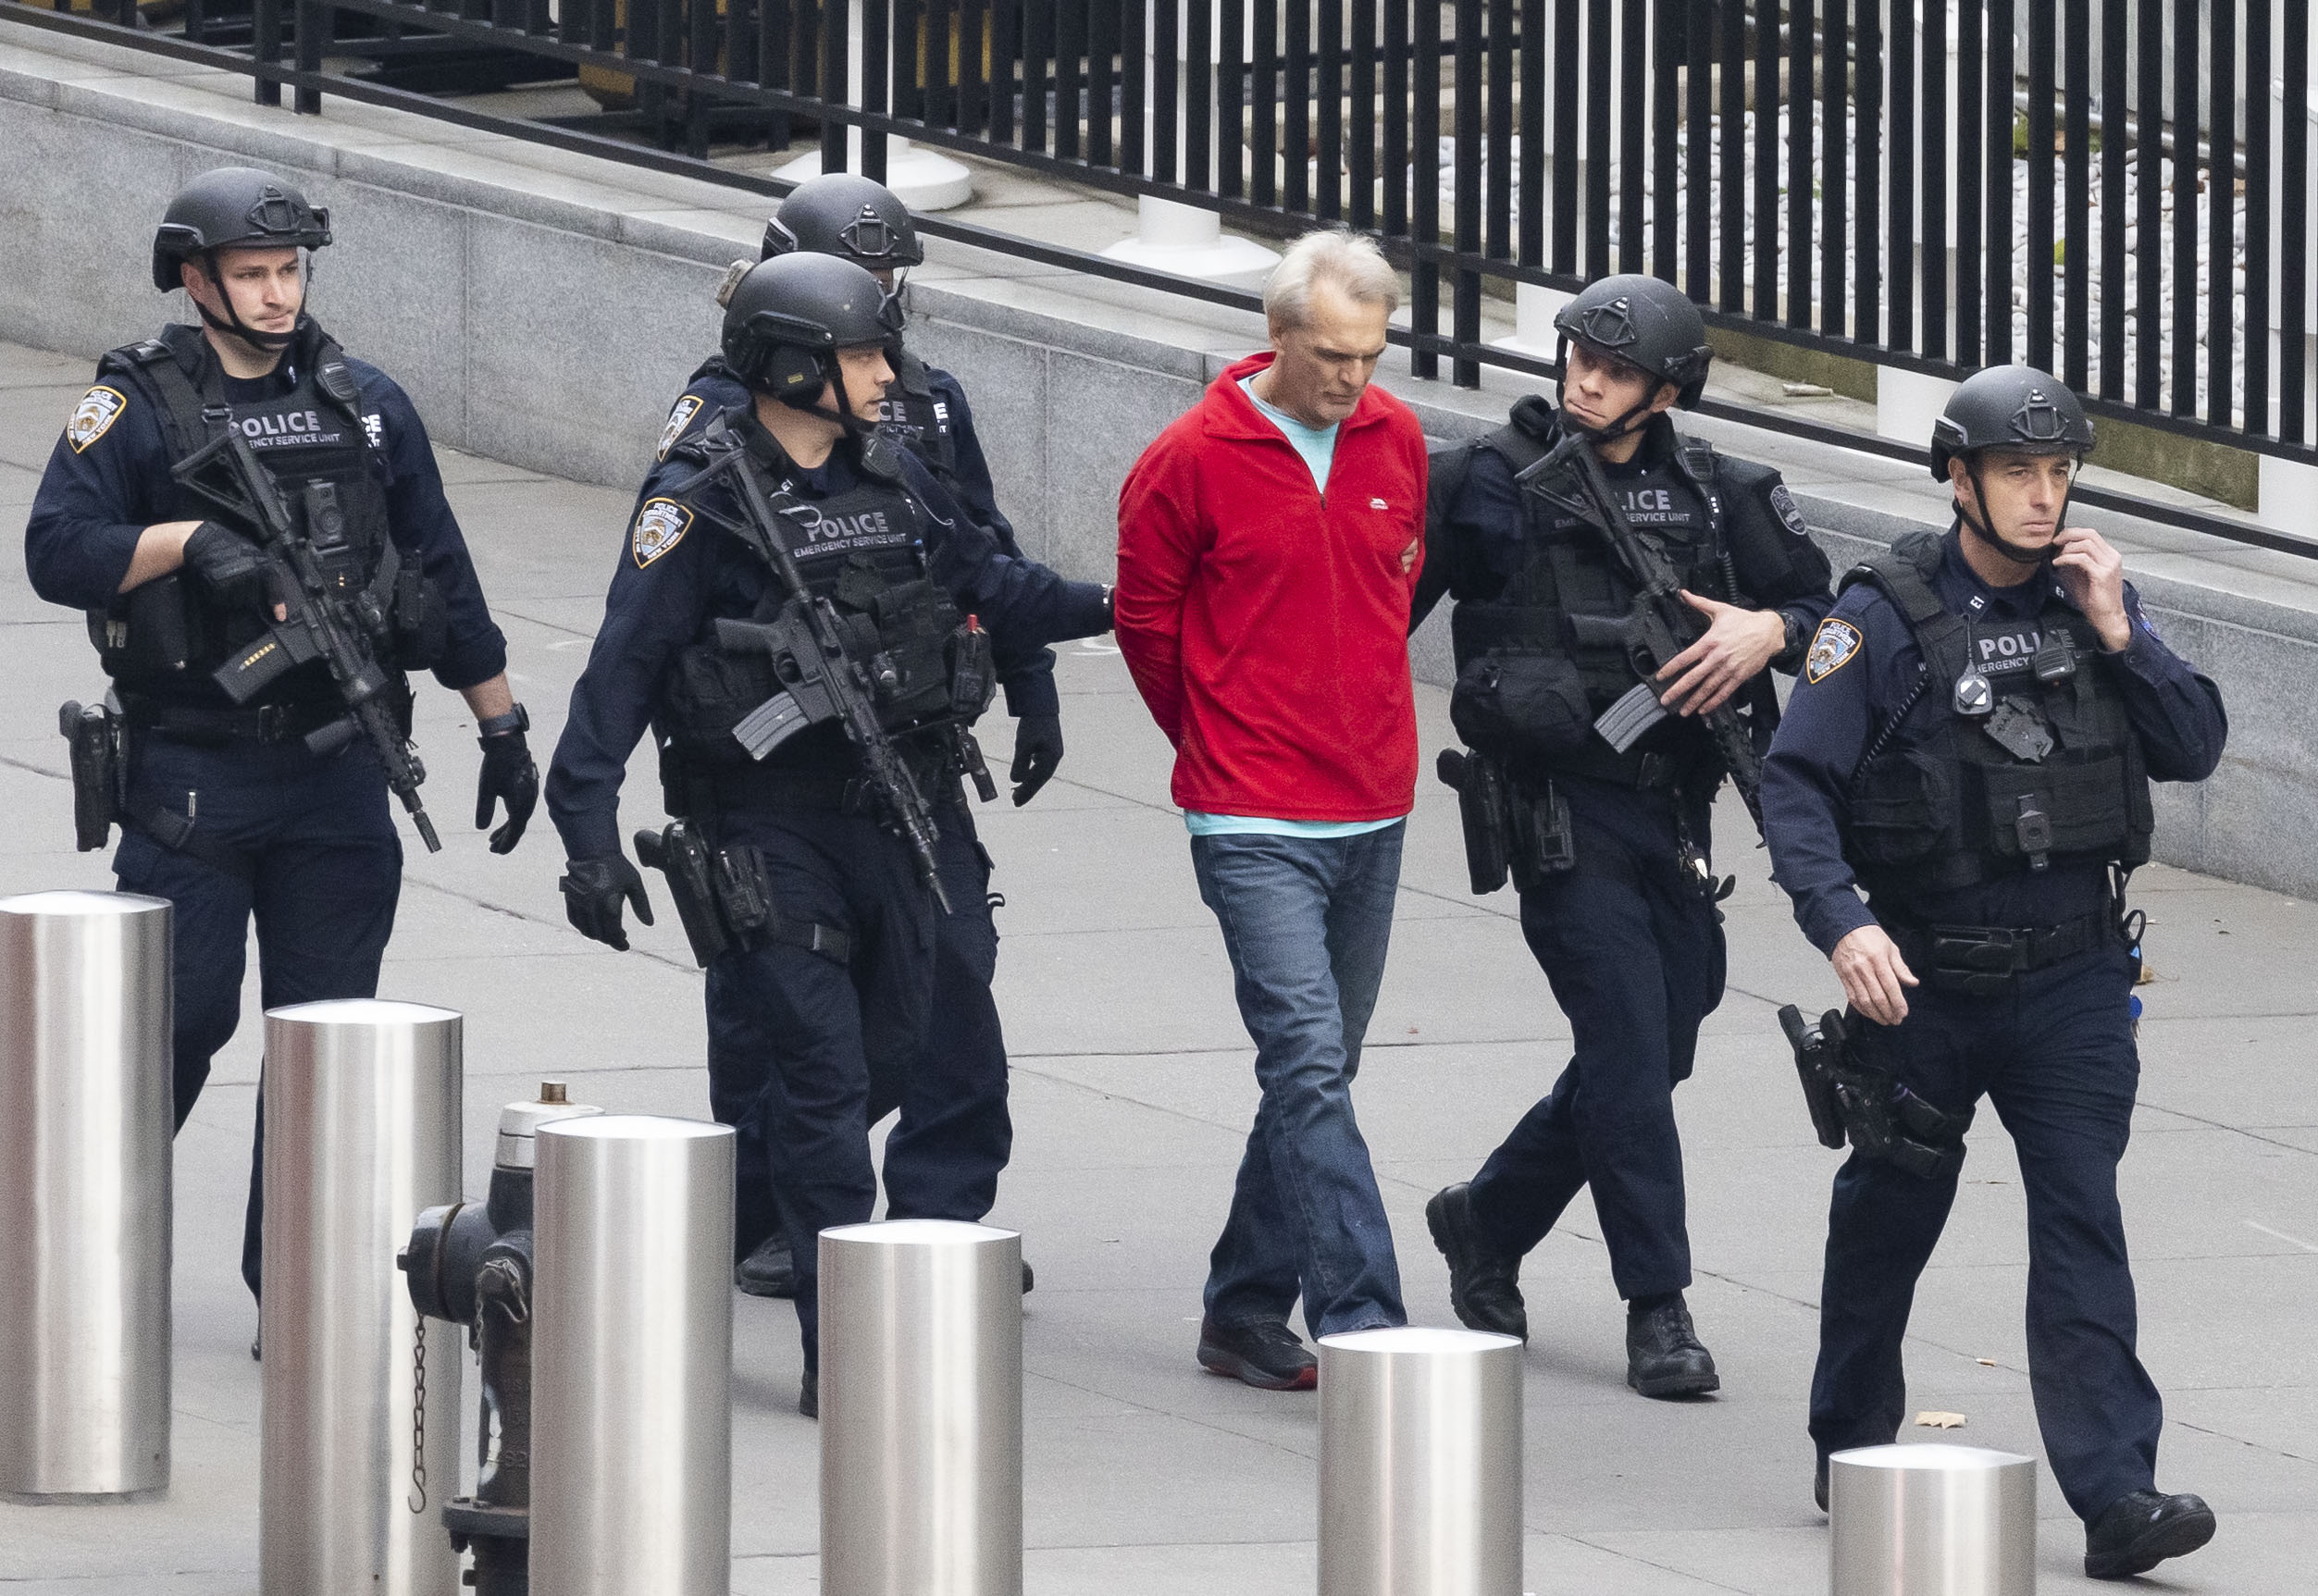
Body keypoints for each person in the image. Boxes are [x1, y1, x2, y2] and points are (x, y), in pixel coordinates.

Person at [544, 253, 1113, 1416]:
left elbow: (996, 586)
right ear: (796, 365)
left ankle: (717, 1219)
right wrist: (588, 834)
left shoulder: (899, 473)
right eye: (861, 354)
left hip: (901, 809)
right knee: (820, 1075)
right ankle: (838, 1349)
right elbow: (623, 670)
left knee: (921, 1037)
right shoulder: (693, 502)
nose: (884, 372)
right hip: (765, 828)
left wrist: (1129, 600)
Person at [23, 167, 537, 1316]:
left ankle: (300, 1291)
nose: (274, 295)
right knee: (180, 1019)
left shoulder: (367, 405)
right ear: (196, 279)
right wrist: (182, 542)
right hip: (195, 773)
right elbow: (55, 547)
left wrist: (498, 723)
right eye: (250, 275)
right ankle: (68, 1253)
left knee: (327, 1045)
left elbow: (441, 572)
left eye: (288, 272)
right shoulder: (137, 403)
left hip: (339, 770)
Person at [1760, 365, 2225, 1579]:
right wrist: (1840, 923)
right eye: (2017, 470)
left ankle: (2118, 1491)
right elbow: (1796, 782)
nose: (2041, 492)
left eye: (2058, 470)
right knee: (1889, 1218)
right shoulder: (1883, 614)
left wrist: (2124, 627)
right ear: (1958, 477)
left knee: (2082, 1221)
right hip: (1921, 981)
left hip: (2072, 980)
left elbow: (2196, 743)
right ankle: (1851, 1438)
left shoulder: (2092, 604)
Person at [1413, 273, 1834, 1398]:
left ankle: (1486, 1218)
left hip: (1676, 811)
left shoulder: (1724, 491)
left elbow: (1834, 627)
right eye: (1577, 362)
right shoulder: (1487, 481)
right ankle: (1659, 1304)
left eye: (1615, 370)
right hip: (1559, 810)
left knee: (1665, 1039)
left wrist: (1769, 630)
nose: (1587, 382)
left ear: (1668, 388)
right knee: (1631, 1051)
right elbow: (1377, 611)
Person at [657, 173, 1061, 1300]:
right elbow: (669, 602)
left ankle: (938, 1223)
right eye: (859, 281)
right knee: (773, 1021)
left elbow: (986, 558)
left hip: (910, 751)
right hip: (774, 777)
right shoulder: (722, 408)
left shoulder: (929, 401)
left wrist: (1033, 685)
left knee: (956, 983)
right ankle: (771, 1216)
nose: (877, 305)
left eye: (890, 285)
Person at [1115, 229, 1427, 1391]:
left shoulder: (1396, 438)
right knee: (1306, 1064)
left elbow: (1393, 585)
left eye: (1372, 354)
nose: (1354, 379)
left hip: (1372, 803)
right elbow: (1147, 624)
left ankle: (1244, 1307)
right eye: (1334, 355)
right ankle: (1367, 1326)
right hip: (1251, 816)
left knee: (1321, 1072)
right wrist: (1215, 740)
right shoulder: (1189, 457)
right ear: (1279, 335)